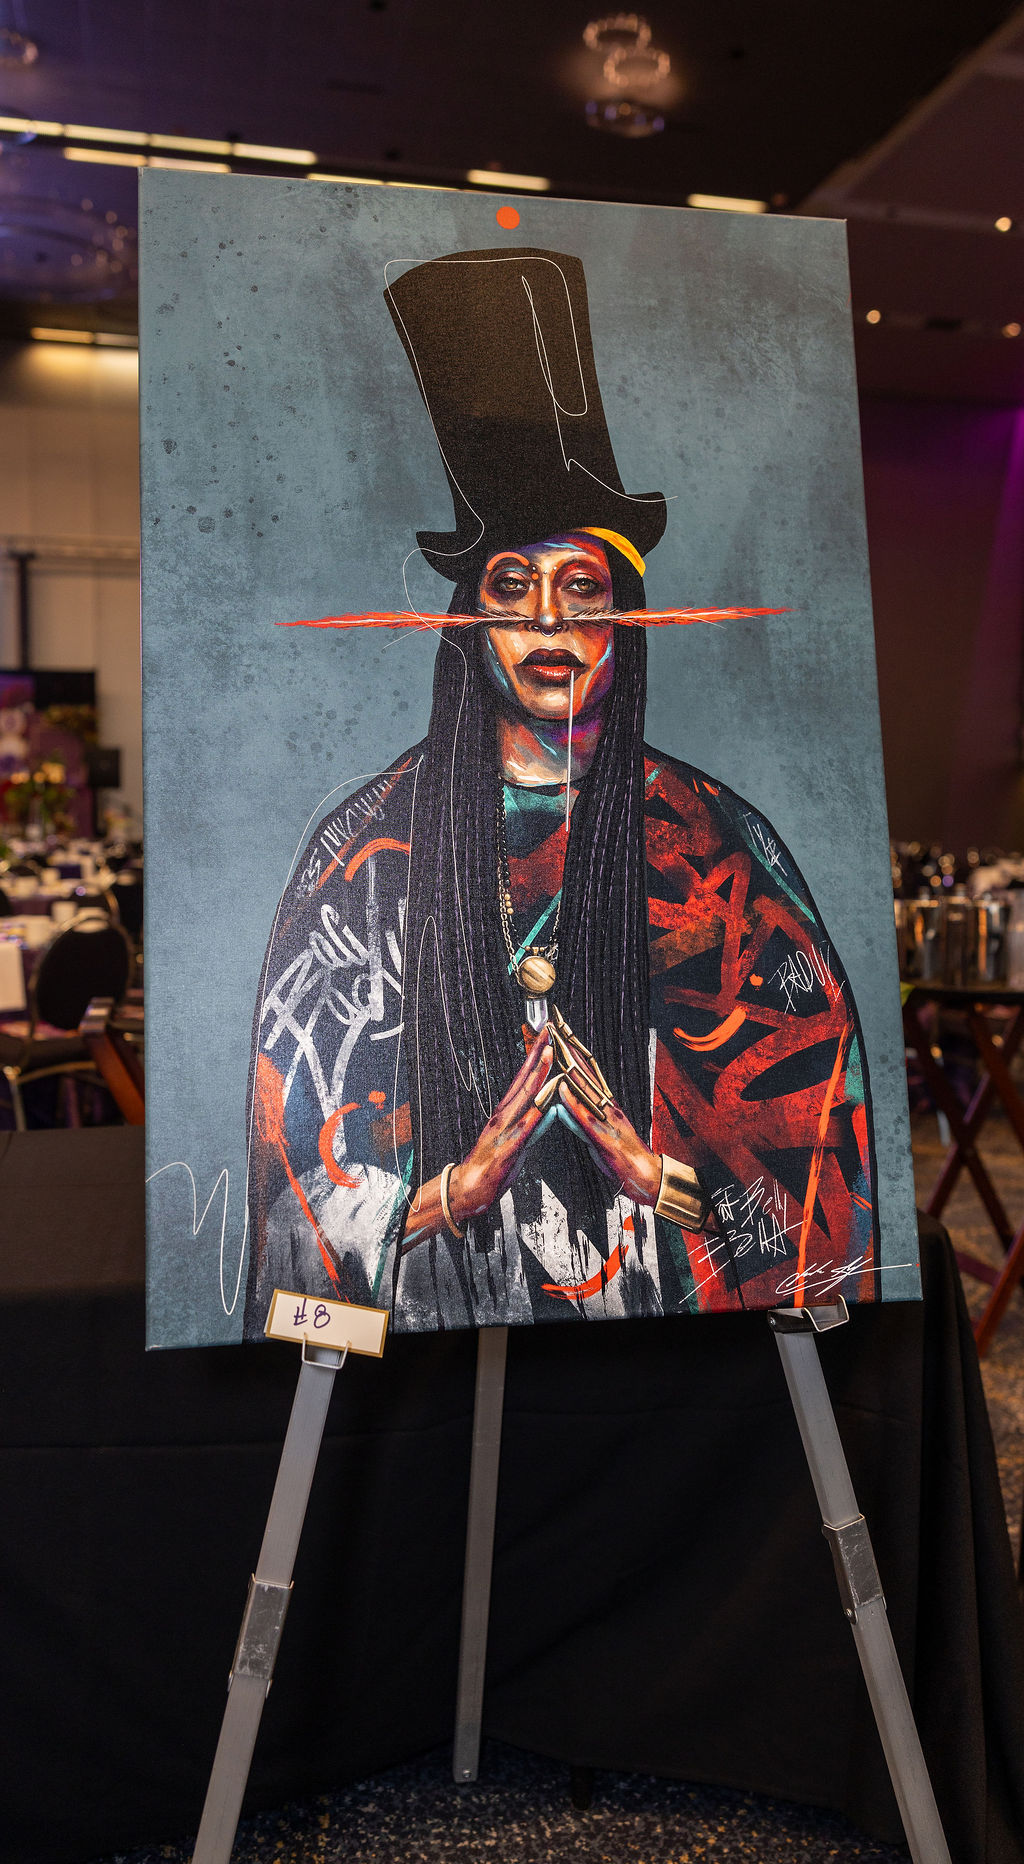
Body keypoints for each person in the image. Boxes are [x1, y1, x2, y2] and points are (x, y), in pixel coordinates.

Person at [243, 248, 877, 1337]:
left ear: (625, 617)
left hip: (667, 1352)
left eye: (582, 585)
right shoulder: (370, 852)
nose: (548, 619)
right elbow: (288, 1181)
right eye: (512, 584)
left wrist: (657, 1176)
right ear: (472, 620)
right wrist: (451, 1192)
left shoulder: (717, 851)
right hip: (433, 1339)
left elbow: (822, 1158)